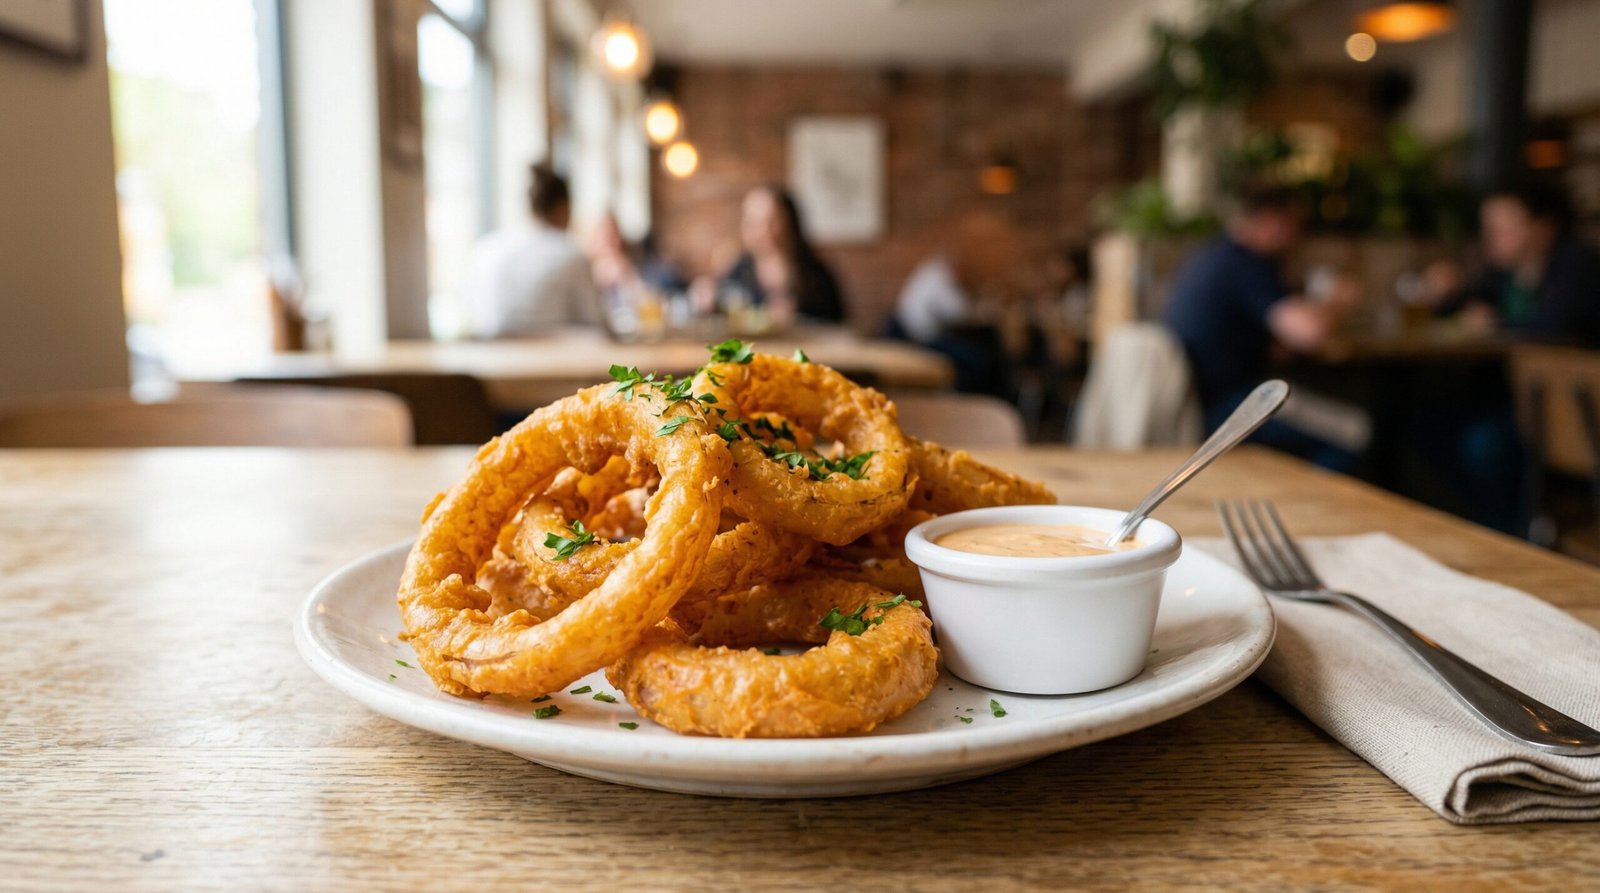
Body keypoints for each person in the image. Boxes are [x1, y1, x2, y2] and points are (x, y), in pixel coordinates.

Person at [1162, 185, 1360, 467]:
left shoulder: (1214, 255)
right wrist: (1338, 301)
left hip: (1207, 400)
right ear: (1272, 220)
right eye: (1295, 223)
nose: (1298, 235)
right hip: (1229, 406)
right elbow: (1311, 333)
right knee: (1353, 431)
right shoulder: (1243, 264)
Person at [1434, 184, 1600, 345]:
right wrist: (1448, 293)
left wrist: (1494, 324)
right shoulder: (1505, 273)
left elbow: (1557, 327)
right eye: (1487, 229)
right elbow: (1469, 303)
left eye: (1502, 230)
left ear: (1544, 228)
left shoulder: (1576, 264)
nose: (1489, 239)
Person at [460, 165, 601, 338]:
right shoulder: (571, 254)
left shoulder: (487, 249)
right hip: (556, 360)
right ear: (563, 207)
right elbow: (595, 322)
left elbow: (471, 313)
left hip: (491, 359)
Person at [890, 213, 1023, 394]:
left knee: (978, 354)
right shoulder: (939, 276)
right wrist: (986, 308)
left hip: (916, 334)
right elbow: (960, 313)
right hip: (919, 339)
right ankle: (966, 398)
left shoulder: (934, 272)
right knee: (979, 358)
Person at [720, 185, 846, 323]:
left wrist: (797, 319)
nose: (763, 231)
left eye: (772, 221)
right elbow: (722, 315)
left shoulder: (816, 276)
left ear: (790, 222)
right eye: (753, 222)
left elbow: (838, 327)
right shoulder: (738, 271)